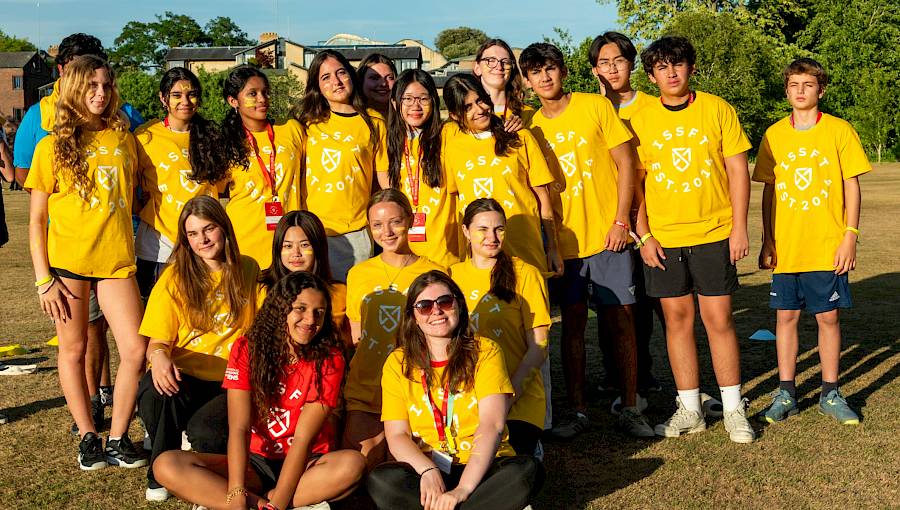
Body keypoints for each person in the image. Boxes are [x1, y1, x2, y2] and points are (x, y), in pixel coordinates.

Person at [520, 42, 653, 439]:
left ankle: (630, 405)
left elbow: (627, 164)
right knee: (572, 326)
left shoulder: (596, 107)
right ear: (527, 82)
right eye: (536, 73)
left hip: (607, 237)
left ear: (563, 71)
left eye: (551, 69)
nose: (545, 78)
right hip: (563, 244)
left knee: (622, 320)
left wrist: (620, 221)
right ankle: (577, 410)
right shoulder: (528, 123)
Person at [629, 36, 755, 443]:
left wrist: (739, 227)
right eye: (662, 67)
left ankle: (734, 407)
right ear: (650, 75)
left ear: (691, 69)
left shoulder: (717, 109)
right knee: (677, 322)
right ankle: (690, 407)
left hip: (714, 232)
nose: (671, 72)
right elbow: (637, 184)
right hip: (664, 238)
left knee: (718, 320)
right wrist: (643, 235)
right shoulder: (642, 119)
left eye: (678, 64)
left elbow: (738, 171)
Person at [25, 54, 148, 469]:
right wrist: (44, 280)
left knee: (135, 348)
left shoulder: (124, 138)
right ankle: (87, 435)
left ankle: (117, 437)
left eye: (106, 85)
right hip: (67, 267)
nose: (100, 93)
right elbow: (37, 220)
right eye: (92, 86)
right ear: (74, 90)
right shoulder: (51, 145)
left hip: (116, 263)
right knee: (73, 351)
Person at [153, 272, 366, 510]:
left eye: (319, 312)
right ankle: (252, 503)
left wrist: (278, 503)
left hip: (307, 464)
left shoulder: (330, 358)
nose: (310, 320)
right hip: (255, 462)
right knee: (166, 464)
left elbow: (304, 440)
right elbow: (239, 427)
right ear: (280, 308)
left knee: (352, 464)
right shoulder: (247, 349)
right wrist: (236, 491)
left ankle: (264, 503)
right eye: (300, 309)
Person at [754, 58, 869, 425]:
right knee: (785, 317)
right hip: (787, 247)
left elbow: (852, 184)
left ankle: (830, 392)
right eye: (793, 85)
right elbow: (769, 192)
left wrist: (849, 236)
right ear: (786, 90)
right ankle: (786, 391)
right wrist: (767, 240)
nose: (800, 91)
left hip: (826, 244)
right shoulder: (773, 135)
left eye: (808, 84)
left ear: (821, 90)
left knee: (828, 317)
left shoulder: (839, 130)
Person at [367, 270, 544, 510]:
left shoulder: (485, 351)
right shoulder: (397, 362)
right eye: (424, 306)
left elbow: (492, 424)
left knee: (526, 470)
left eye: (445, 302)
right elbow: (397, 435)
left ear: (458, 306)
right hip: (430, 466)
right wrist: (427, 470)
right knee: (382, 479)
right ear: (413, 316)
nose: (436, 311)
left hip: (482, 465)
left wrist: (463, 490)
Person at [138, 196, 259, 501]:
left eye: (209, 229)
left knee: (207, 432)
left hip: (230, 380)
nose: (202, 240)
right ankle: (160, 468)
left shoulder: (247, 269)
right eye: (192, 234)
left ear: (224, 228)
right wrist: (160, 356)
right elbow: (157, 341)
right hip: (187, 375)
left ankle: (207, 482)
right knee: (155, 391)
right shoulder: (174, 278)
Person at [342, 189, 444, 470]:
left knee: (404, 474)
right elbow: (356, 335)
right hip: (367, 389)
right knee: (360, 468)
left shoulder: (435, 273)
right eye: (377, 224)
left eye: (395, 222)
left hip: (414, 388)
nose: (386, 231)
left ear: (410, 220)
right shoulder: (358, 273)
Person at [590, 31, 664, 395]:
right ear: (594, 70)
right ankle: (615, 374)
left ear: (631, 64)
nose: (612, 69)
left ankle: (647, 373)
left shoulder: (652, 107)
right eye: (604, 63)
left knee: (651, 302)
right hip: (610, 222)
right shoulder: (591, 109)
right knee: (614, 303)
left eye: (618, 60)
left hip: (653, 218)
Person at [450, 198, 550, 455]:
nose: (492, 237)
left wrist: (507, 396)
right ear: (466, 232)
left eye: (499, 229)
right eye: (482, 229)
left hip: (517, 399)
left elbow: (539, 346)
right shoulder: (451, 276)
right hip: (467, 398)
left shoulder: (526, 274)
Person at [442, 74, 561, 276]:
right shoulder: (450, 143)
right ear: (454, 115)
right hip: (478, 258)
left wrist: (552, 248)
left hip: (524, 250)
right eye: (467, 107)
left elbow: (543, 198)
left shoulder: (519, 136)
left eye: (480, 100)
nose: (479, 110)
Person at [134, 67, 230, 299]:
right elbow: (130, 189)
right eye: (176, 95)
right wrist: (145, 210)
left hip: (204, 243)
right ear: (163, 98)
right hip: (159, 246)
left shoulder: (212, 135)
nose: (185, 101)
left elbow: (221, 187)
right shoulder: (145, 136)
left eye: (191, 94)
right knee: (156, 319)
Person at [295, 50, 389, 280]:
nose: (336, 81)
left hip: (356, 232)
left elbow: (384, 181)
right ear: (317, 85)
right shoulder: (305, 122)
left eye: (341, 73)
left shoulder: (374, 122)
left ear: (351, 76)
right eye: (325, 77)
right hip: (313, 232)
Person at [220, 65, 304, 270]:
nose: (262, 99)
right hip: (245, 242)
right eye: (252, 93)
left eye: (265, 92)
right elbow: (215, 195)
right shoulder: (224, 142)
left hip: (291, 241)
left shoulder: (291, 129)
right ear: (233, 101)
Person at [383, 69, 461, 267]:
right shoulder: (386, 142)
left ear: (434, 101)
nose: (415, 106)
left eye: (423, 99)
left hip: (445, 254)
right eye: (407, 99)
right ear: (395, 102)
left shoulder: (449, 134)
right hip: (404, 255)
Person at [260, 210, 352, 347]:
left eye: (304, 245)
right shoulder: (262, 289)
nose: (296, 253)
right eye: (288, 246)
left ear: (318, 247)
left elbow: (348, 343)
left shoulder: (340, 292)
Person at [473, 38, 532, 131]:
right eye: (491, 60)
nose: (499, 67)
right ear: (477, 68)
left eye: (505, 62)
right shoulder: (465, 115)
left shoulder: (528, 115)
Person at [358, 53, 397, 119]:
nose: (384, 84)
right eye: (374, 78)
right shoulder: (352, 117)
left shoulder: (408, 116)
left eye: (390, 78)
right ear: (361, 80)